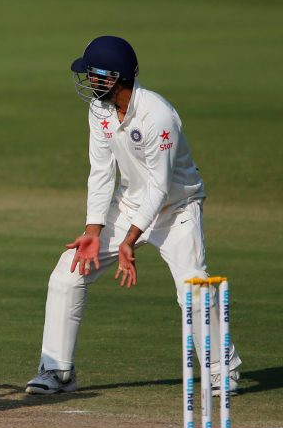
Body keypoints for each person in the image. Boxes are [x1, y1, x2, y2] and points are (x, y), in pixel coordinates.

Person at [25, 36, 242, 395]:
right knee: (68, 272)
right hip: (128, 205)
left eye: (94, 74)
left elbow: (159, 187)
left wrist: (129, 241)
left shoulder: (159, 116)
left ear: (114, 77)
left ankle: (222, 370)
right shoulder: (100, 110)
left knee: (193, 285)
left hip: (177, 209)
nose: (89, 80)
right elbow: (100, 172)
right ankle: (57, 372)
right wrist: (93, 232)